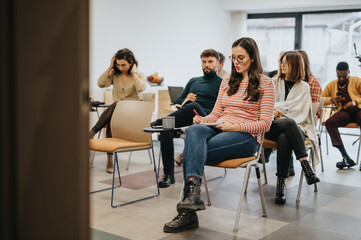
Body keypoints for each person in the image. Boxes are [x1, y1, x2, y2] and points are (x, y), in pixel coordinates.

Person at [163, 37, 275, 233]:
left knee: (191, 150)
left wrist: (235, 126)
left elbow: (265, 123)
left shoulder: (266, 83)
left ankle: (188, 212)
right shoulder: (227, 81)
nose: (236, 62)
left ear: (253, 58)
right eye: (234, 57)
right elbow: (215, 114)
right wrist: (203, 120)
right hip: (219, 126)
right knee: (195, 130)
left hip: (246, 137)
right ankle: (193, 198)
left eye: (241, 57)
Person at [151, 49, 222, 188]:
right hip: (189, 114)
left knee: (192, 106)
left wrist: (191, 105)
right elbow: (178, 101)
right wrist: (185, 99)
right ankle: (168, 175)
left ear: (217, 64)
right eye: (204, 61)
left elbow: (223, 108)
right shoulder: (193, 81)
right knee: (166, 129)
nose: (206, 65)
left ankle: (159, 122)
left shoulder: (222, 83)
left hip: (207, 118)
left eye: (210, 62)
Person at [267, 51, 320, 205]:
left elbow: (300, 110)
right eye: (281, 62)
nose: (282, 65)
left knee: (285, 137)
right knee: (289, 123)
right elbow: (264, 105)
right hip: (270, 126)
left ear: (295, 65)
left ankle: (280, 186)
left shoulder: (304, 86)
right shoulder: (273, 81)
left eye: (286, 63)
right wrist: (275, 112)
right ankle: (305, 165)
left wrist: (279, 110)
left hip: (292, 127)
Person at [89, 48, 146, 173]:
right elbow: (100, 83)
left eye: (124, 65)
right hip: (118, 112)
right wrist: (110, 67)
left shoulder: (139, 75)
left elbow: (141, 88)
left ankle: (93, 131)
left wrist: (134, 73)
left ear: (131, 63)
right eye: (118, 64)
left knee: (116, 105)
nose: (121, 67)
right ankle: (110, 159)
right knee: (112, 120)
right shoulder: (115, 75)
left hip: (134, 111)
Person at [321, 62, 361, 170]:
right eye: (339, 76)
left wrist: (353, 102)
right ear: (336, 74)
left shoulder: (357, 81)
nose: (342, 78)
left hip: (358, 109)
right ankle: (346, 156)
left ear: (349, 72)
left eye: (344, 76)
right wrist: (332, 99)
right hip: (344, 112)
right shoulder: (332, 84)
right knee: (330, 122)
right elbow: (321, 99)